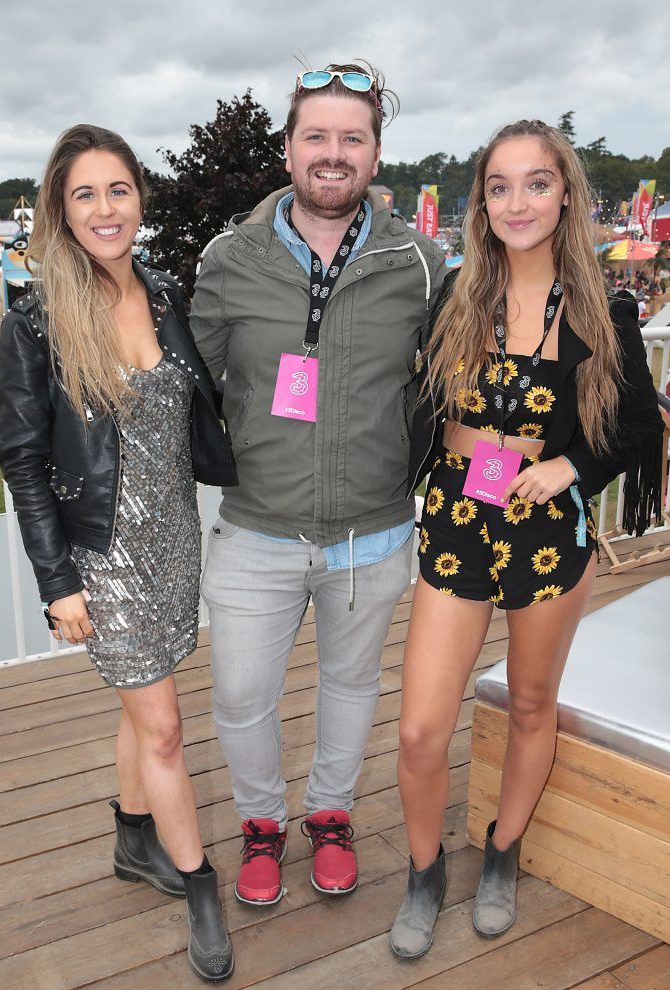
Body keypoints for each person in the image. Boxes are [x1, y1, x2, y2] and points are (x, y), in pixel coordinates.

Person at [390, 119, 662, 959]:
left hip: (547, 531)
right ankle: (425, 869)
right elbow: (413, 406)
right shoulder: (456, 297)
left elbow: (636, 425)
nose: (517, 201)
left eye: (536, 182)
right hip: (458, 522)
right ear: (481, 204)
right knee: (418, 730)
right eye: (499, 186)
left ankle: (503, 850)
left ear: (567, 193)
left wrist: (569, 468)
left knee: (534, 702)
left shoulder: (599, 308)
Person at [191, 62, 447, 906]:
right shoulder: (229, 259)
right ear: (289, 147)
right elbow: (187, 378)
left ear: (376, 153)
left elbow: (470, 367)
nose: (332, 153)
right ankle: (262, 823)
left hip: (371, 535)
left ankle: (329, 813)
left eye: (352, 138)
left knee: (350, 685)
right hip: (256, 528)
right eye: (316, 136)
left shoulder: (423, 261)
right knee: (240, 693)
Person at [0, 124, 237, 983]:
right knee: (166, 727)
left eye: (119, 190)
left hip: (175, 541)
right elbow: (21, 460)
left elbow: (197, 406)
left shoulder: (165, 291)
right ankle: (200, 884)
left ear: (142, 197)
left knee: (148, 709)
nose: (106, 209)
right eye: (84, 194)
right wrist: (58, 583)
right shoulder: (38, 319)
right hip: (103, 557)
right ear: (61, 210)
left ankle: (133, 838)